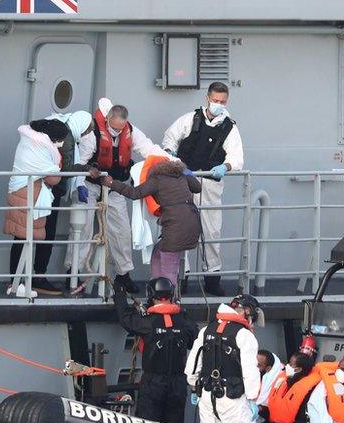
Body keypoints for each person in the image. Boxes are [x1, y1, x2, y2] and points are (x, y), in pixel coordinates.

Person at [79, 99, 172, 294]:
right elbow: (81, 161)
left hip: (115, 187)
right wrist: (85, 176)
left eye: (120, 129)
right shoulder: (93, 132)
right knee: (83, 229)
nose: (116, 132)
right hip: (90, 186)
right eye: (113, 128)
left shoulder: (130, 131)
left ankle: (123, 275)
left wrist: (171, 162)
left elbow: (149, 149)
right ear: (107, 119)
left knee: (122, 232)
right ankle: (76, 273)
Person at [162, 82, 244, 296]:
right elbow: (169, 139)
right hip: (185, 179)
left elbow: (237, 158)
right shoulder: (190, 119)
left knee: (212, 229)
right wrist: (174, 159)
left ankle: (212, 279)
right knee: (182, 227)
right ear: (208, 98)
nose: (219, 105)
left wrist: (224, 167)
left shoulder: (229, 127)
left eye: (223, 102)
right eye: (216, 101)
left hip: (210, 182)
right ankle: (182, 276)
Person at [93, 158, 201, 289]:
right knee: (157, 253)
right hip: (192, 223)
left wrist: (112, 183)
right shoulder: (181, 175)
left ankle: (168, 301)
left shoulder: (156, 179)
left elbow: (134, 193)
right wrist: (187, 172)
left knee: (169, 267)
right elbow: (197, 187)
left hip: (175, 227)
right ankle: (157, 290)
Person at [113, 276, 198, 423]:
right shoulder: (184, 321)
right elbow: (193, 340)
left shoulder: (147, 322)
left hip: (153, 383)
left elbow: (126, 318)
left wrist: (120, 295)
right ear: (171, 295)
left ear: (151, 295)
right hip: (178, 384)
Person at [29, 110, 95, 296]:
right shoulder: (66, 138)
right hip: (49, 191)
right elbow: (64, 167)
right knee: (45, 234)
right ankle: (38, 277)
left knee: (28, 234)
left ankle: (20, 278)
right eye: (85, 131)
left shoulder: (62, 129)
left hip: (39, 189)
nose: (84, 135)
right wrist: (86, 169)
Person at [185, 294, 263, 423]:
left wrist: (194, 386)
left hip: (207, 395)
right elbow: (250, 371)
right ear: (246, 311)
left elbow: (193, 364)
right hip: (233, 398)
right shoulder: (244, 335)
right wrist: (252, 399)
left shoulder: (206, 330)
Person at [4, 119, 66, 298]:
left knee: (21, 239)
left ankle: (16, 282)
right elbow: (53, 177)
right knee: (26, 239)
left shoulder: (29, 141)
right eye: (60, 140)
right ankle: (16, 285)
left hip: (20, 193)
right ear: (54, 137)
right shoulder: (42, 146)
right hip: (29, 195)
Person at [263, 352, 319, 423]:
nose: (287, 366)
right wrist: (261, 410)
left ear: (298, 369)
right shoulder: (284, 380)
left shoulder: (308, 392)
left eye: (290, 364)